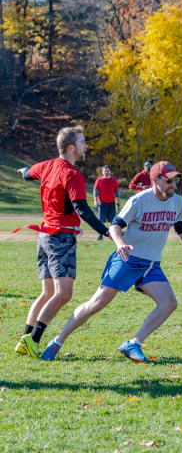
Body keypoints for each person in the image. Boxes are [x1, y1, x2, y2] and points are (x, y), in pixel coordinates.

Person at [42, 161, 182, 363]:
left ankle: (133, 343)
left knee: (169, 303)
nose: (173, 184)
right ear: (155, 180)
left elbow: (181, 228)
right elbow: (115, 225)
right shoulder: (139, 201)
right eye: (169, 180)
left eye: (175, 180)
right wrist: (120, 244)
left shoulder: (176, 202)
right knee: (97, 304)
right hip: (128, 259)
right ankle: (58, 341)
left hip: (151, 265)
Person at [14, 126, 112, 359]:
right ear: (71, 147)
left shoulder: (46, 165)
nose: (85, 145)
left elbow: (28, 174)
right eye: (82, 142)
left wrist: (23, 170)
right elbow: (83, 210)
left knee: (47, 293)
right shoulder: (72, 175)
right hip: (60, 237)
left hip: (45, 236)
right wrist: (107, 232)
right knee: (63, 294)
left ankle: (25, 340)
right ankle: (33, 339)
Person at [94, 165, 122, 241]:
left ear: (110, 171)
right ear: (102, 172)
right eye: (105, 171)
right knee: (101, 220)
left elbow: (117, 191)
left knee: (111, 220)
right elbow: (96, 191)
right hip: (102, 202)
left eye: (108, 171)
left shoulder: (114, 180)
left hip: (111, 203)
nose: (107, 172)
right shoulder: (99, 180)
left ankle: (112, 235)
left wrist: (119, 200)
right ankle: (100, 235)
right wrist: (95, 201)